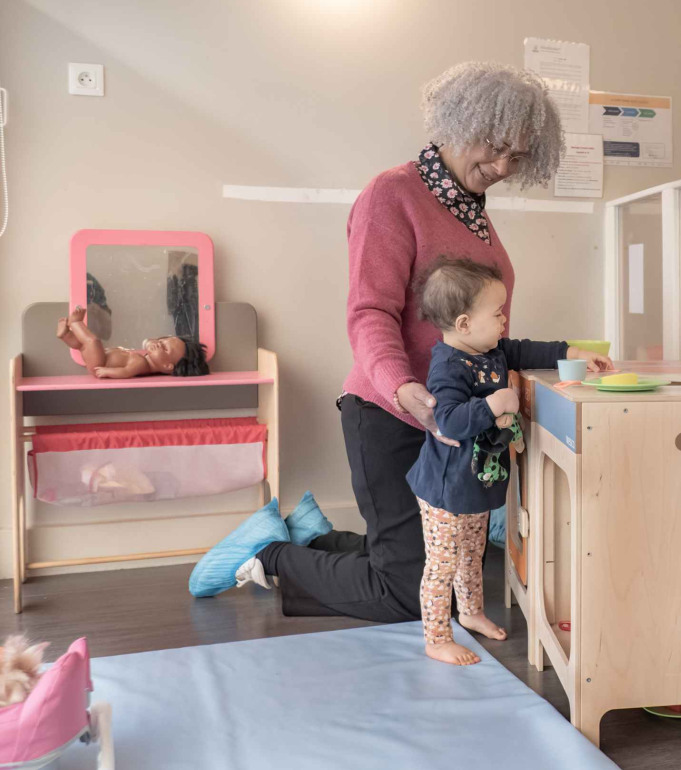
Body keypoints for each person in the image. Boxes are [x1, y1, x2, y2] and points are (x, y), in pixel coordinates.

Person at [188, 61, 603, 620]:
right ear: (462, 120)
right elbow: (370, 312)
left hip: (451, 421)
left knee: (447, 570)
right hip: (390, 411)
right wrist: (402, 386)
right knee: (409, 593)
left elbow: (485, 334)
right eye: (495, 145)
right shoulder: (393, 195)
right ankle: (273, 553)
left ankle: (311, 537)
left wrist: (556, 355)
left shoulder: (474, 214)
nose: (503, 165)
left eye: (519, 156)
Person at [406, 258, 609, 665]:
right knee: (443, 564)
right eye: (497, 313)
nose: (504, 321)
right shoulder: (448, 366)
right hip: (444, 490)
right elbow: (447, 419)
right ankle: (436, 636)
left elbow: (531, 349)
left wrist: (574, 351)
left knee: (472, 554)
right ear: (463, 324)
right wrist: (491, 404)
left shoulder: (492, 350)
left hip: (475, 484)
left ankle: (471, 613)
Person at [55, 306, 208, 379]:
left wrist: (108, 372)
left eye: (165, 348)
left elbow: (125, 373)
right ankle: (65, 335)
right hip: (102, 360)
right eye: (163, 341)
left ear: (168, 366)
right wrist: (153, 344)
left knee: (92, 342)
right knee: (81, 345)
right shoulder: (144, 357)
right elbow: (148, 342)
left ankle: (75, 323)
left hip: (101, 363)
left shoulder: (141, 364)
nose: (159, 343)